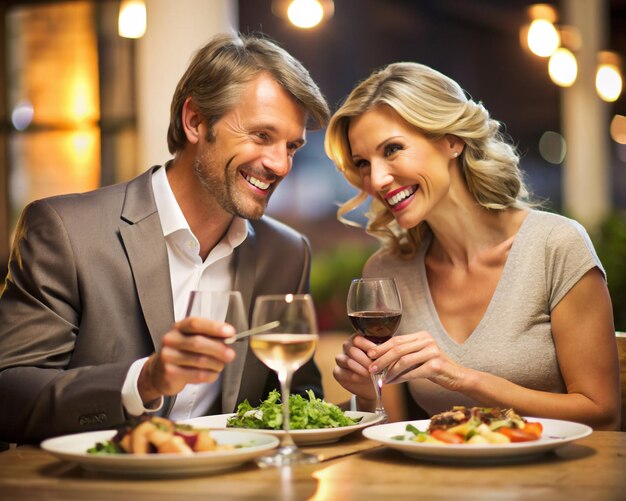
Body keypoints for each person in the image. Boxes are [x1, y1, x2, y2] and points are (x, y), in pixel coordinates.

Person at [0, 32, 330, 444]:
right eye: (261, 136)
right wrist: (143, 380)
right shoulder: (66, 231)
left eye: (292, 146)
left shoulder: (288, 253)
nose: (280, 164)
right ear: (195, 121)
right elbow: (9, 393)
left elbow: (297, 399)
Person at [324, 62, 621, 430]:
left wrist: (464, 379)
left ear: (452, 140)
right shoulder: (386, 273)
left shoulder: (555, 246)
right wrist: (368, 391)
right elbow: (398, 432)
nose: (378, 179)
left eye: (393, 149)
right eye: (363, 163)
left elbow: (602, 413)